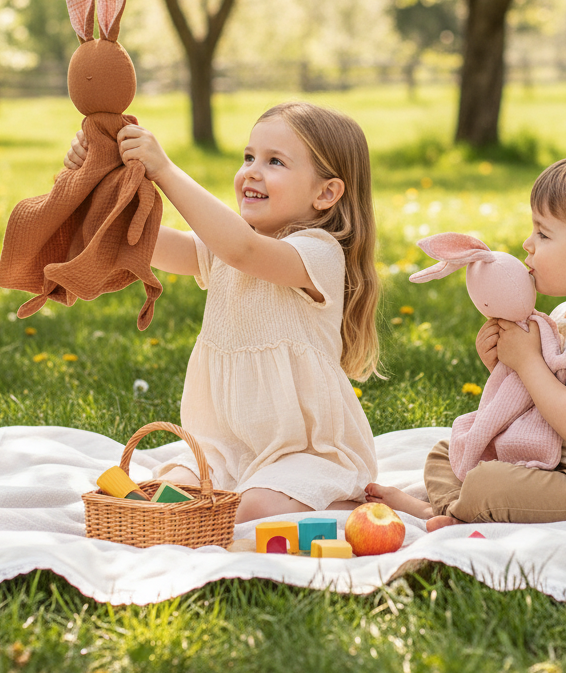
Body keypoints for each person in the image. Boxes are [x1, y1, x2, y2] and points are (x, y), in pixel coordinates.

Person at [64, 101, 380, 523]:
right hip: (224, 449)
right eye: (249, 157)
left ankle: (354, 499)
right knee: (170, 495)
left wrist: (165, 171)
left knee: (253, 509)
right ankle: (214, 503)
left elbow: (242, 250)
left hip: (305, 452)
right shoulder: (227, 243)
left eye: (274, 161)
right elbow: (138, 241)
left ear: (326, 193)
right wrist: (91, 178)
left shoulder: (317, 254)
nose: (252, 171)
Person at [367, 151, 566, 532]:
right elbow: (546, 396)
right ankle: (454, 509)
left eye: (543, 234)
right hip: (564, 466)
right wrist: (505, 367)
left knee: (487, 483)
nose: (527, 244)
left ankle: (453, 510)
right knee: (450, 450)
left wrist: (528, 362)